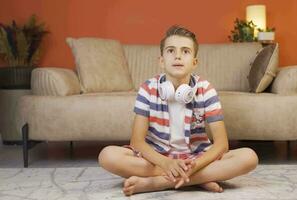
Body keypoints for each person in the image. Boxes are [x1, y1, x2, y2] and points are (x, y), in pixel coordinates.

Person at [98, 25, 258, 196]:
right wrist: (167, 164)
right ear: (161, 60)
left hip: (196, 158)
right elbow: (137, 142)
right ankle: (200, 179)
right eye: (171, 51)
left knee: (249, 157)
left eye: (186, 51)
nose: (178, 56)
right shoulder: (148, 88)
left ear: (194, 62)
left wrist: (194, 166)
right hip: (157, 159)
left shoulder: (206, 90)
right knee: (107, 156)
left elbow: (221, 144)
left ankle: (158, 183)